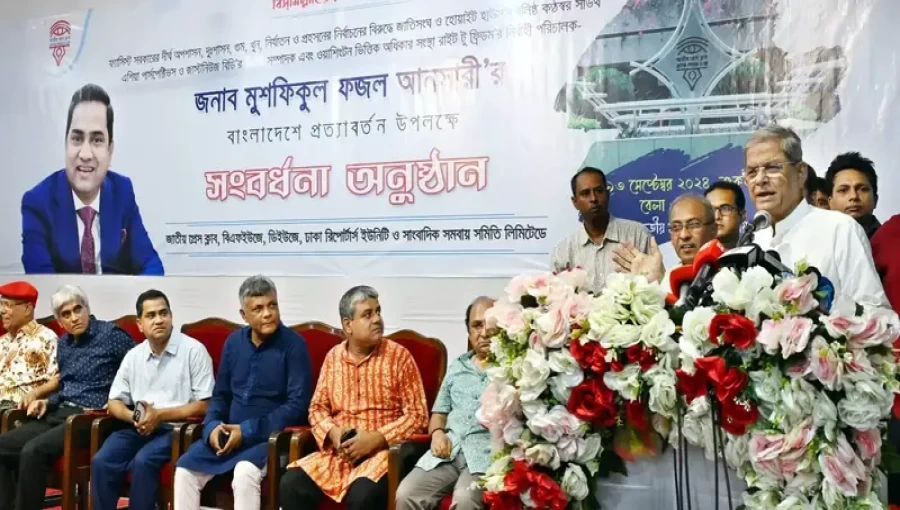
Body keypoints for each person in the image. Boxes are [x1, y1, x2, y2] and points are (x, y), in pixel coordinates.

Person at [280, 286, 428, 510]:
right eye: (367, 315)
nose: (377, 319)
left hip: (381, 456)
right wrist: (333, 432)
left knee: (362, 496)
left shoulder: (399, 357)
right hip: (338, 456)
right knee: (291, 484)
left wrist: (377, 438)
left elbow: (418, 416)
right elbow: (317, 408)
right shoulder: (333, 358)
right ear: (348, 325)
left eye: (378, 311)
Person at [174, 275, 312, 510]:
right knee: (185, 469)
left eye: (272, 305)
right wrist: (212, 427)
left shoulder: (293, 345)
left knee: (244, 472)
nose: (267, 313)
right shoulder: (233, 342)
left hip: (267, 439)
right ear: (243, 315)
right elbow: (221, 396)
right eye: (258, 309)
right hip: (227, 435)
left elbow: (297, 406)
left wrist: (247, 431)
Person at [0, 285, 134, 510]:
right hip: (59, 411)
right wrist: (45, 401)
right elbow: (64, 385)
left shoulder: (111, 335)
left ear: (87, 308)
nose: (74, 318)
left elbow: (139, 367)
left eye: (77, 309)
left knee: (32, 451)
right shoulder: (64, 344)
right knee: (2, 446)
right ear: (59, 321)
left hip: (89, 417)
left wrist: (122, 404)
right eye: (66, 314)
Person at [21, 83, 163, 275]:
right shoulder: (37, 203)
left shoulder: (122, 191)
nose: (85, 154)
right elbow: (44, 283)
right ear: (66, 144)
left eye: (97, 140)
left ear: (109, 150)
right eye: (77, 139)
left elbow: (151, 264)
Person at [91, 290, 214, 510]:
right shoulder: (134, 356)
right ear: (140, 324)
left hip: (177, 430)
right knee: (102, 460)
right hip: (139, 427)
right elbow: (114, 401)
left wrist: (159, 416)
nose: (158, 320)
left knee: (143, 460)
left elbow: (205, 404)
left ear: (171, 316)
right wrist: (135, 418)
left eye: (163, 313)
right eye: (151, 315)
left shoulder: (193, 351)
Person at [743, 126, 888, 307]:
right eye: (752, 172)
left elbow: (873, 312)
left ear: (801, 172)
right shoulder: (752, 238)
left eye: (772, 168)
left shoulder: (839, 228)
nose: (760, 179)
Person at [395, 297, 495, 510]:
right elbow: (438, 414)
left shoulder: (513, 370)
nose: (484, 333)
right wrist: (438, 434)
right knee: (406, 493)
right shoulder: (457, 368)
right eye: (477, 325)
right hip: (448, 450)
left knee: (465, 500)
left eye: (491, 324)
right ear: (469, 331)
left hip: (486, 455)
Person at [551, 167, 655, 293]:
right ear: (575, 202)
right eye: (585, 193)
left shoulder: (637, 235)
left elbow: (656, 287)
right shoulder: (563, 251)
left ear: (608, 194)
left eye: (599, 191)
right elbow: (555, 300)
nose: (593, 198)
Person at [0, 281, 58, 410]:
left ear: (27, 309)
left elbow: (57, 379)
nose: (2, 311)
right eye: (1, 304)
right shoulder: (2, 341)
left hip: (15, 407)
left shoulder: (46, 338)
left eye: (7, 305)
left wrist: (36, 394)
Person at [660, 196, 719, 292]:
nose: (684, 235)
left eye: (693, 225)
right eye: (676, 227)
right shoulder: (666, 284)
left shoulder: (729, 276)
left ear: (714, 229)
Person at [825, 152, 881, 238]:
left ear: (875, 199)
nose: (853, 196)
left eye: (862, 189)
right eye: (843, 190)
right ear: (830, 202)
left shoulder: (892, 240)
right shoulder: (817, 242)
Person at [704, 181, 747, 249]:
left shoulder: (756, 256)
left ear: (742, 215)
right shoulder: (693, 257)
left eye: (725, 209)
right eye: (711, 210)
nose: (717, 216)